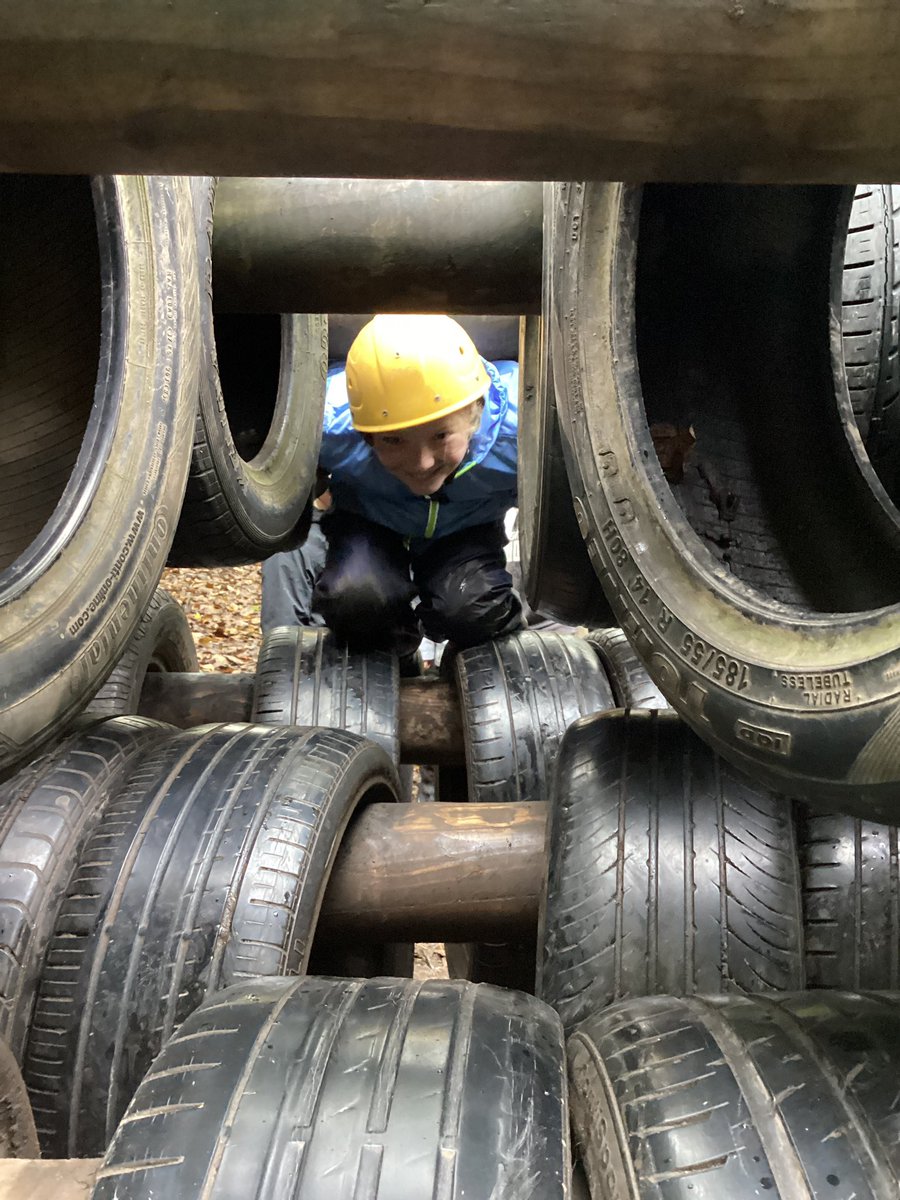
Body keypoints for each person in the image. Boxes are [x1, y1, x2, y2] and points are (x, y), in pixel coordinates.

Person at [301, 314, 523, 656]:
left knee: (474, 609)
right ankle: (394, 656)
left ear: (476, 414)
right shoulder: (325, 425)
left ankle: (465, 660)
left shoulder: (523, 431)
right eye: (393, 441)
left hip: (465, 527)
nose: (422, 463)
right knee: (355, 600)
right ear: (365, 434)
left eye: (441, 435)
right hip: (370, 520)